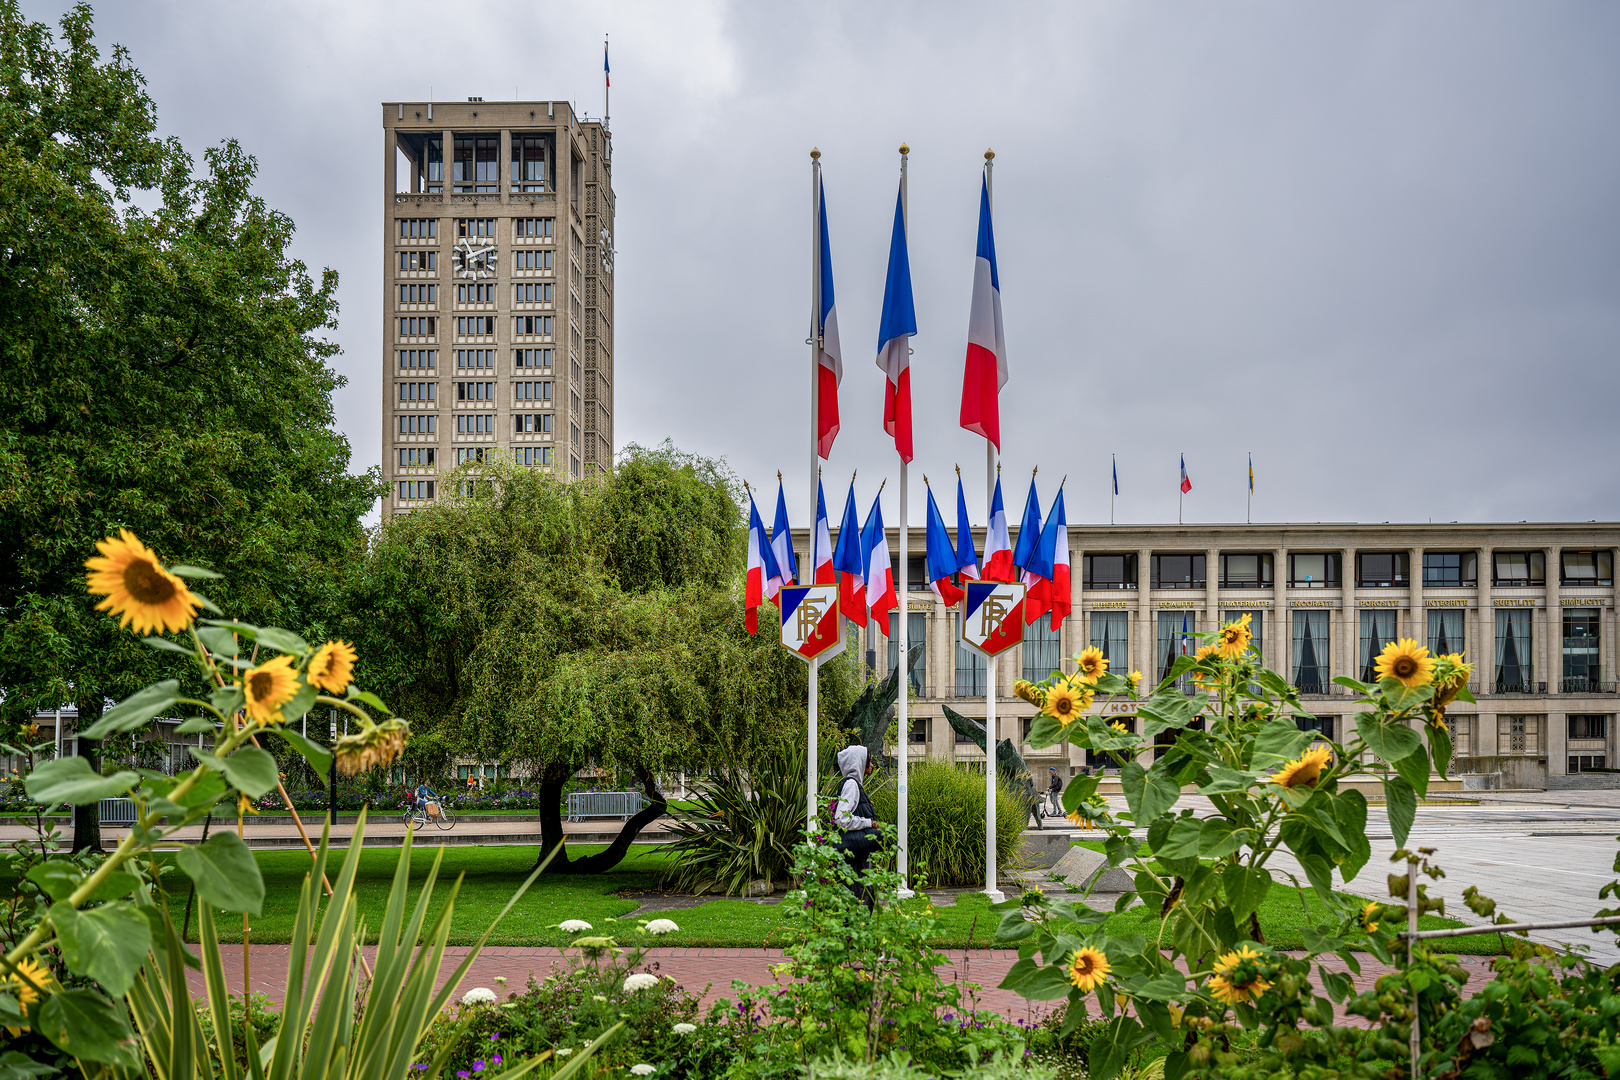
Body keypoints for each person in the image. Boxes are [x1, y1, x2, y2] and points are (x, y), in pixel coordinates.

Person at [833, 744, 881, 909]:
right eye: (869, 761)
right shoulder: (852, 785)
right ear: (859, 762)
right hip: (854, 856)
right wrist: (869, 822)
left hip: (855, 853)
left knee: (862, 895)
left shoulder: (852, 784)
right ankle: (854, 931)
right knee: (861, 896)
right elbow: (841, 819)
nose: (872, 765)